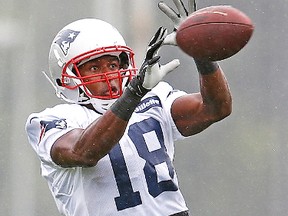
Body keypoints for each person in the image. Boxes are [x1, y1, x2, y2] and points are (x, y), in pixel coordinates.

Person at [25, 0, 232, 215]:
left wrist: (201, 52)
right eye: (94, 67)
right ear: (67, 78)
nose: (110, 76)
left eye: (113, 65)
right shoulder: (51, 120)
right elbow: (83, 153)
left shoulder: (154, 97)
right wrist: (134, 93)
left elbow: (216, 107)